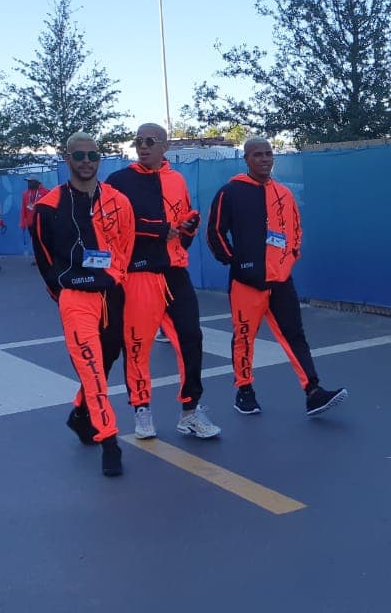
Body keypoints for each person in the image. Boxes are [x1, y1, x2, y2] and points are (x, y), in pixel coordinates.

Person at [207, 136, 349, 417]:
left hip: (281, 280)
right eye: (257, 155)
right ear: (246, 159)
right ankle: (244, 390)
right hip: (246, 282)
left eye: (268, 154)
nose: (264, 159)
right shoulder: (230, 192)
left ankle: (313, 392)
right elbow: (215, 233)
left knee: (295, 335)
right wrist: (236, 262)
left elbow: (295, 231)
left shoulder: (284, 194)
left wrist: (289, 259)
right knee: (244, 336)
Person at [106, 123, 220, 440]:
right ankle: (142, 409)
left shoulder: (177, 179)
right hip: (139, 273)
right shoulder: (119, 181)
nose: (142, 146)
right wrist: (156, 229)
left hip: (174, 271)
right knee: (137, 345)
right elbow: (111, 224)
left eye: (150, 141)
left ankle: (190, 411)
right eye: (138, 141)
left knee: (191, 338)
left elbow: (181, 231)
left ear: (165, 147)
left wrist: (189, 227)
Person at [32, 133, 134, 477]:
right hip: (75, 298)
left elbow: (125, 245)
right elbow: (45, 258)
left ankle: (79, 415)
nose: (87, 161)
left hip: (111, 295)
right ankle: (109, 440)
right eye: (79, 155)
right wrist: (63, 295)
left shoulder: (119, 201)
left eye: (93, 154)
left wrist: (115, 277)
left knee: (105, 362)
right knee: (90, 369)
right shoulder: (48, 205)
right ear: (67, 158)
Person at [20, 175, 50, 265]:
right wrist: (22, 222)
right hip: (31, 223)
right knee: (34, 241)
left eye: (30, 181)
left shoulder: (46, 192)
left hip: (42, 222)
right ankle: (37, 258)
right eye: (28, 182)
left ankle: (46, 258)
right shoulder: (25, 194)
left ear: (37, 182)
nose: (28, 183)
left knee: (44, 240)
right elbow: (23, 209)